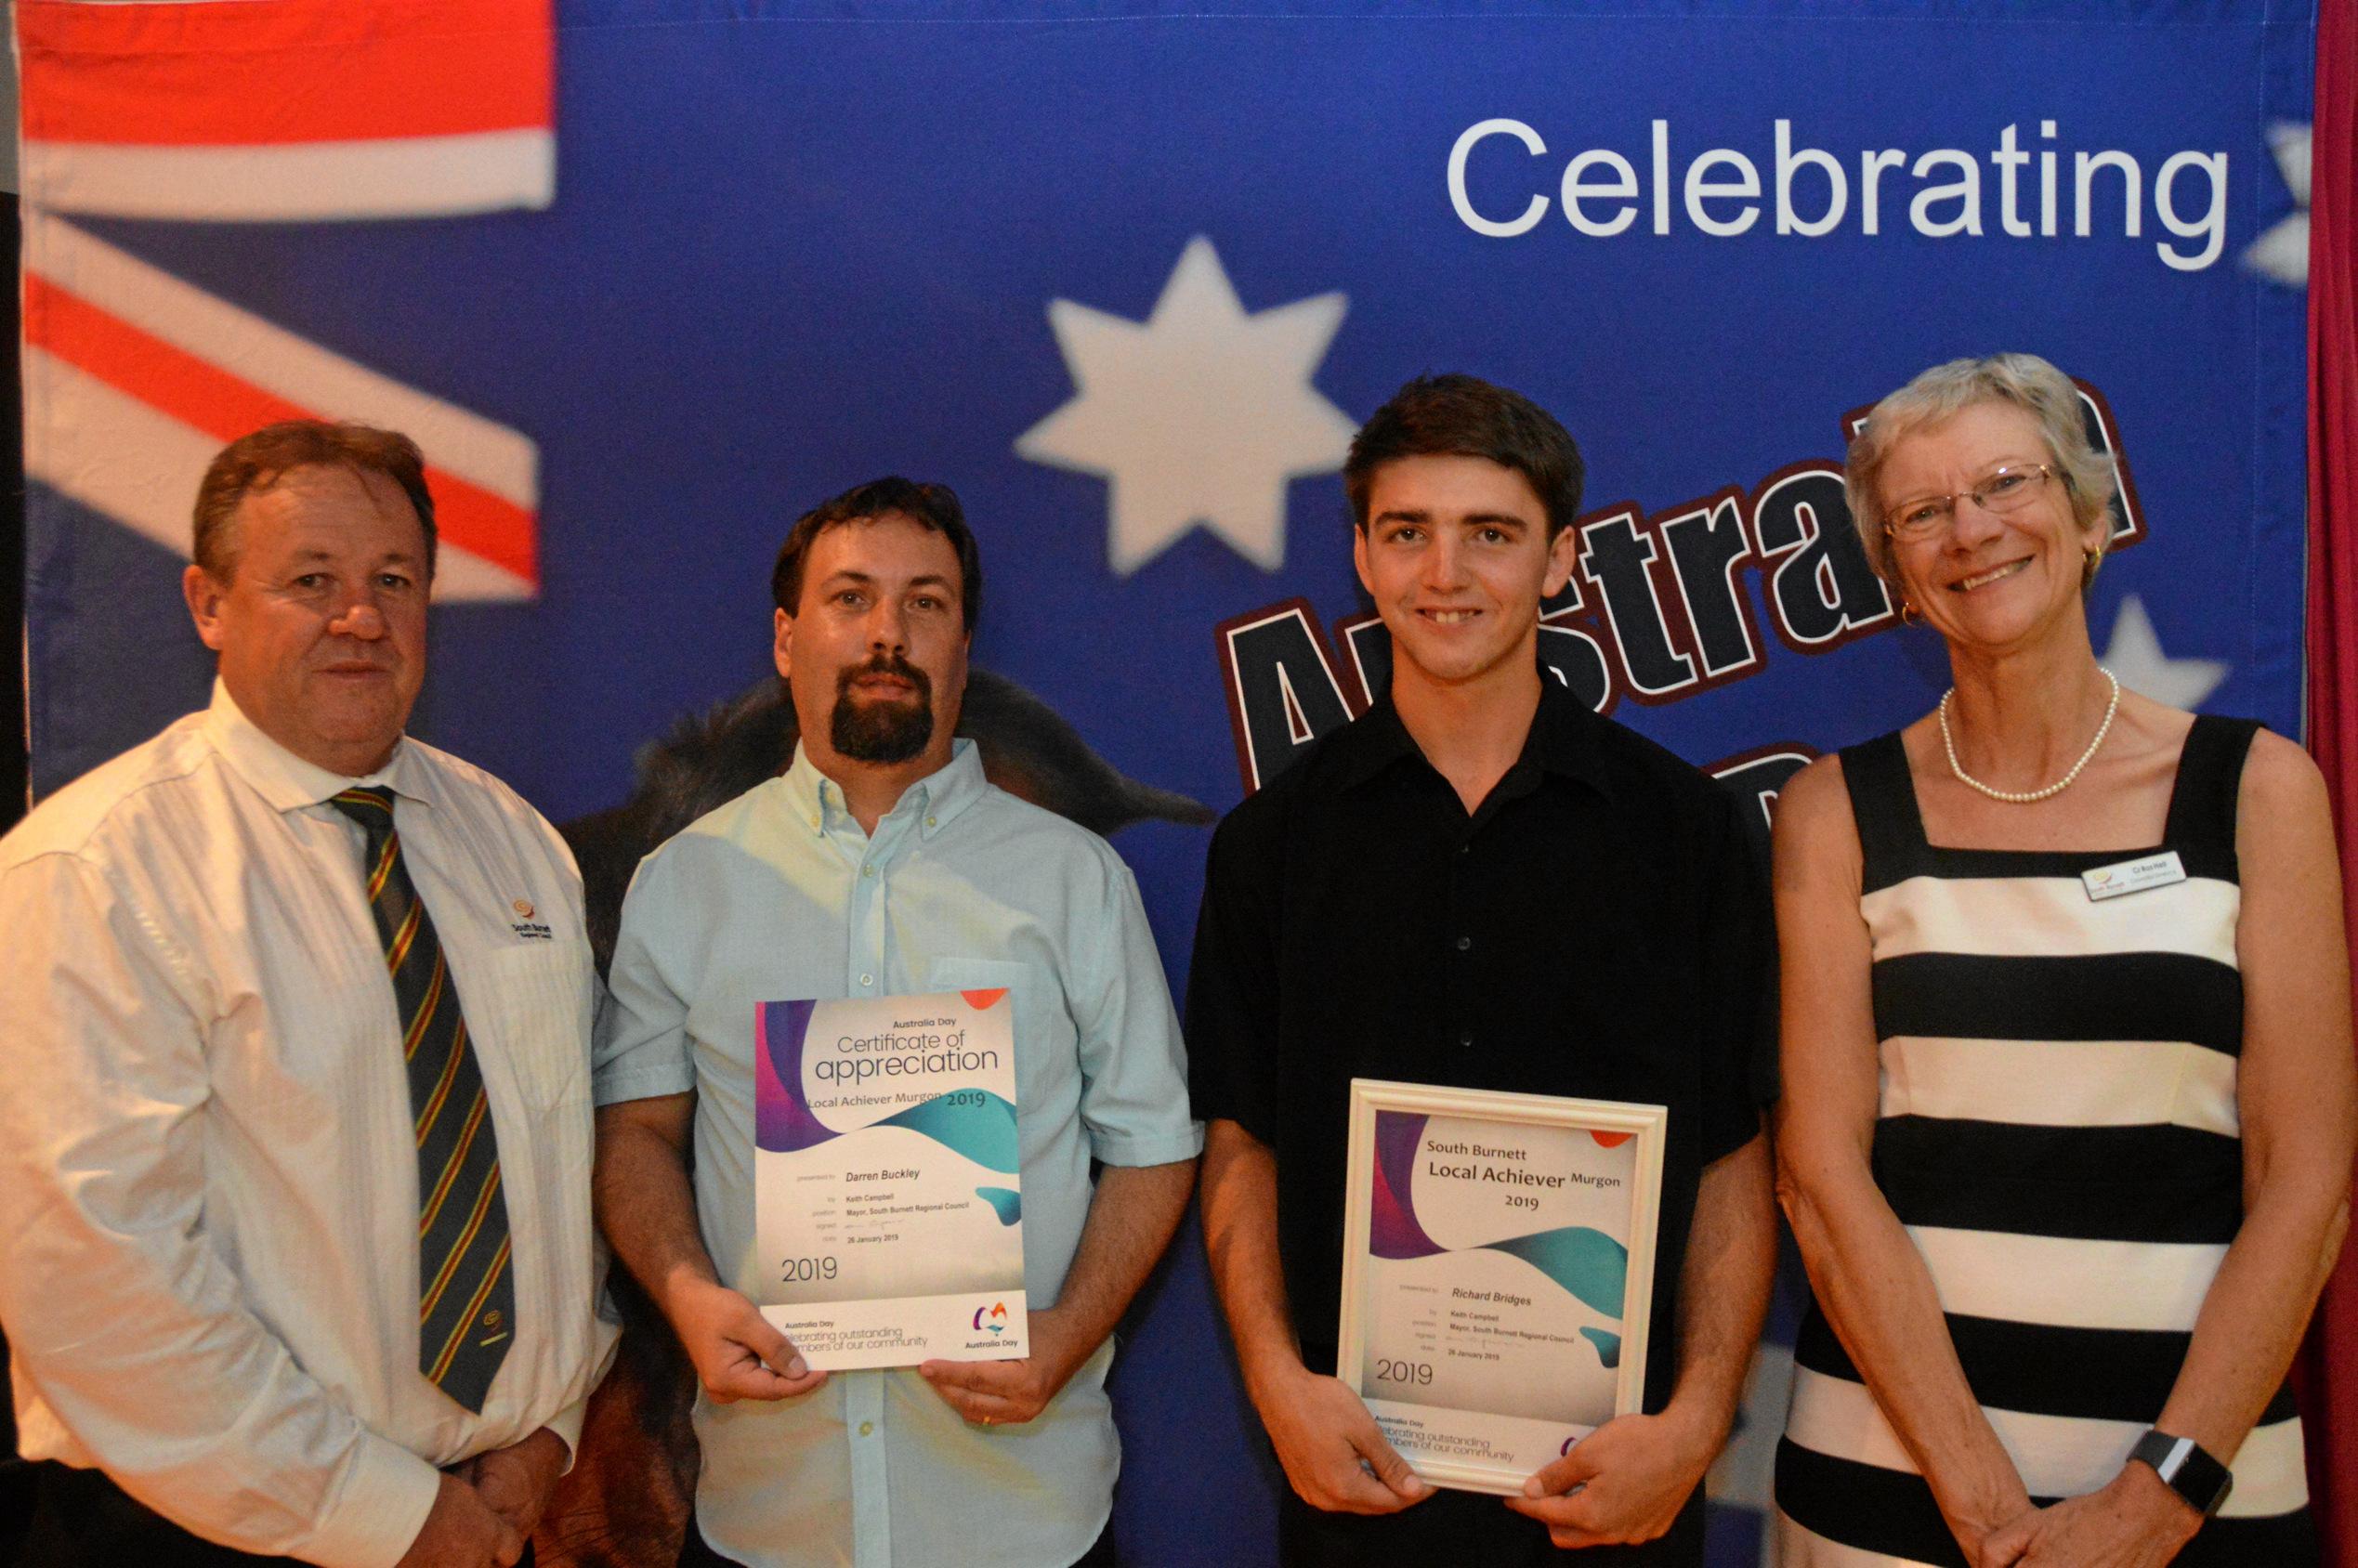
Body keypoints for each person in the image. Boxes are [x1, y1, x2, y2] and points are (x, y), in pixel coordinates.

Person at [1772, 353, 2355, 1567]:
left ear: (2089, 515)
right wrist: (1981, 1500)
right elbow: (1819, 1176)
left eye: (2002, 483)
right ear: (1894, 576)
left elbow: (2305, 1177)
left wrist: (2158, 1497)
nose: (1969, 530)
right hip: (1890, 1492)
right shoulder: (1832, 812)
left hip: (2201, 1491)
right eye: (1921, 513)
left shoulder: (2253, 791)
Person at [0, 421, 615, 1567]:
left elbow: (558, 1178)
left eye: (394, 580)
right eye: (311, 581)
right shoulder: (94, 870)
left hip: (492, 1513)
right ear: (208, 603)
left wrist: (549, 1430)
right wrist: (385, 1511)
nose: (360, 616)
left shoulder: (517, 844)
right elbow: (90, 1276)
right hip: (210, 1532)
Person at [1187, 373, 1778, 1566]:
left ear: (1561, 558)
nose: (1444, 574)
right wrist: (1274, 1382)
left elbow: (1732, 1156)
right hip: (1356, 1491)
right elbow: (1244, 1142)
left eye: (1491, 534)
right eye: (1408, 532)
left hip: (1613, 1502)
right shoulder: (1273, 842)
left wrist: (1698, 1421)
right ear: (1362, 554)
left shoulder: (1689, 832)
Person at [591, 477, 1201, 1568]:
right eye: (851, 598)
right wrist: (685, 1293)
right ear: (787, 638)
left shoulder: (1075, 879)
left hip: (1021, 1518)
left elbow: (1152, 1148)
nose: (887, 633)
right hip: (771, 1517)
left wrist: (1065, 1338)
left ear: (964, 642)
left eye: (925, 603)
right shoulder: (684, 882)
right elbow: (635, 1132)